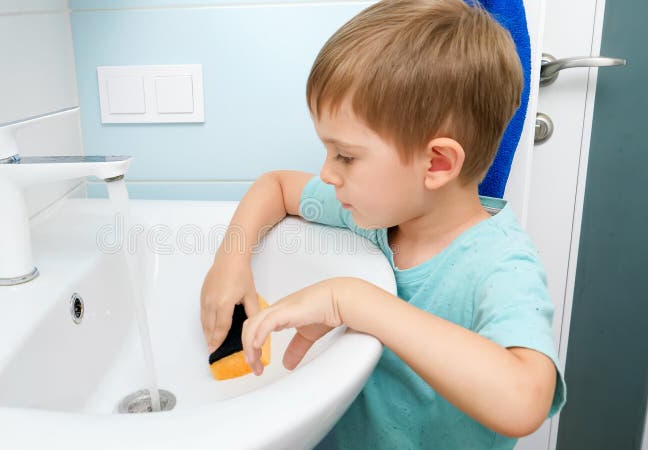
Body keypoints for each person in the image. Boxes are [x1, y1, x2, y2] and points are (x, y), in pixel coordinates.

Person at [199, 0, 566, 448]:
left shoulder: (500, 265)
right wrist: (231, 261)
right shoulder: (375, 213)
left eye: (346, 156)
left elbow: (524, 401)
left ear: (437, 163)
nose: (329, 174)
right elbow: (274, 186)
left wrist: (352, 301)